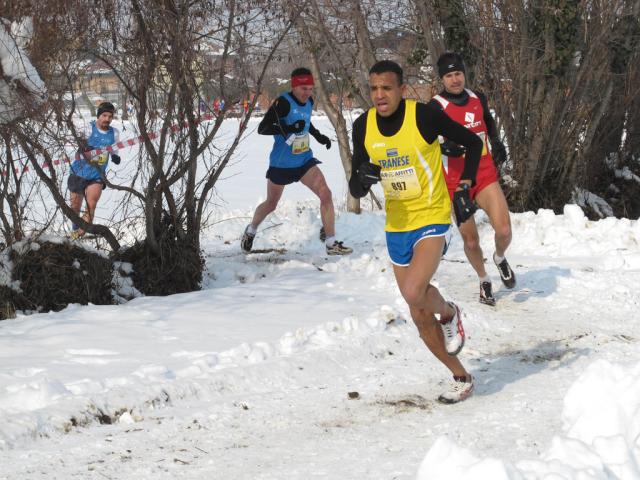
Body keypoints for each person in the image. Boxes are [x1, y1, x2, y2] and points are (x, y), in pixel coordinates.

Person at [349, 60, 482, 404]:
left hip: (431, 216)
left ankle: (451, 312)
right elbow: (357, 185)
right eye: (374, 88)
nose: (379, 95)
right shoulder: (363, 125)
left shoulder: (423, 116)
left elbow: (471, 142)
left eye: (387, 88)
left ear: (401, 90)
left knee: (412, 291)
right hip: (397, 225)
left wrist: (464, 186)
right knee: (419, 313)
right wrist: (362, 180)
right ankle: (461, 376)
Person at [429, 52, 516, 306]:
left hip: (484, 172)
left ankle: (500, 257)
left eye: (458, 73)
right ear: (442, 78)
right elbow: (426, 139)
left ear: (464, 74)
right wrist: (444, 148)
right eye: (448, 75)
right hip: (456, 180)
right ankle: (483, 278)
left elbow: (488, 122)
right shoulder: (435, 106)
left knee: (504, 229)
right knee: (470, 239)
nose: (454, 80)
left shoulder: (478, 97)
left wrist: (497, 140)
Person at [241, 67, 352, 256]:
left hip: (303, 160)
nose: (307, 93)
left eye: (310, 88)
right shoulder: (283, 103)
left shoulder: (309, 101)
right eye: (303, 89)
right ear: (294, 87)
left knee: (325, 193)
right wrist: (289, 127)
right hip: (282, 163)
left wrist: (319, 136)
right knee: (271, 204)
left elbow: (306, 122)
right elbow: (263, 128)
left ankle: (331, 243)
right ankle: (250, 230)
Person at [67, 101, 121, 239]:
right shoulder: (88, 127)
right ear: (98, 116)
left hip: (97, 175)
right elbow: (74, 143)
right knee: (75, 207)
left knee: (91, 205)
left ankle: (80, 234)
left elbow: (114, 148)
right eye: (104, 115)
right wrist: (84, 147)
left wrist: (115, 156)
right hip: (79, 172)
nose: (107, 119)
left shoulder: (114, 133)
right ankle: (75, 228)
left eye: (110, 116)